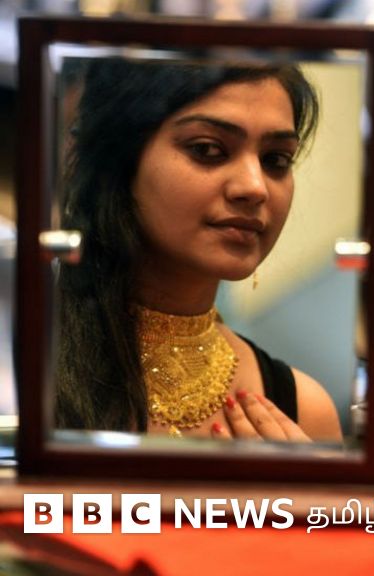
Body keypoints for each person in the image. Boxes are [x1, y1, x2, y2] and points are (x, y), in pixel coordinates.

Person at [55, 58, 342, 442]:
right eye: (208, 149)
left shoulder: (304, 411)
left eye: (275, 159)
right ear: (117, 159)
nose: (255, 187)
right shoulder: (19, 364)